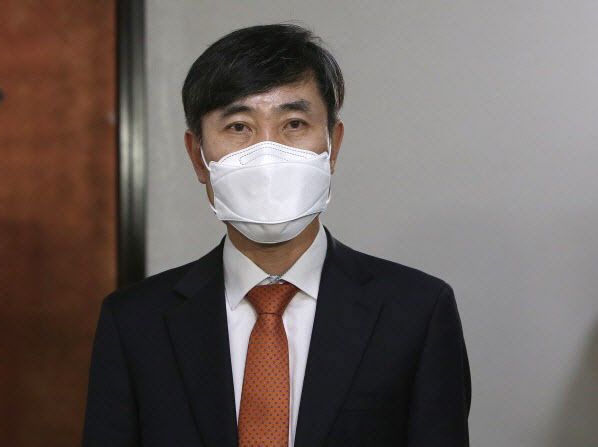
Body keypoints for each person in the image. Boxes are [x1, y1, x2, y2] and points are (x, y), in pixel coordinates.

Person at [82, 24, 471, 447]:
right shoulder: (135, 322)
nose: (267, 154)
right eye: (239, 127)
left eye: (294, 124)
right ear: (198, 156)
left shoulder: (417, 311)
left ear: (333, 146)